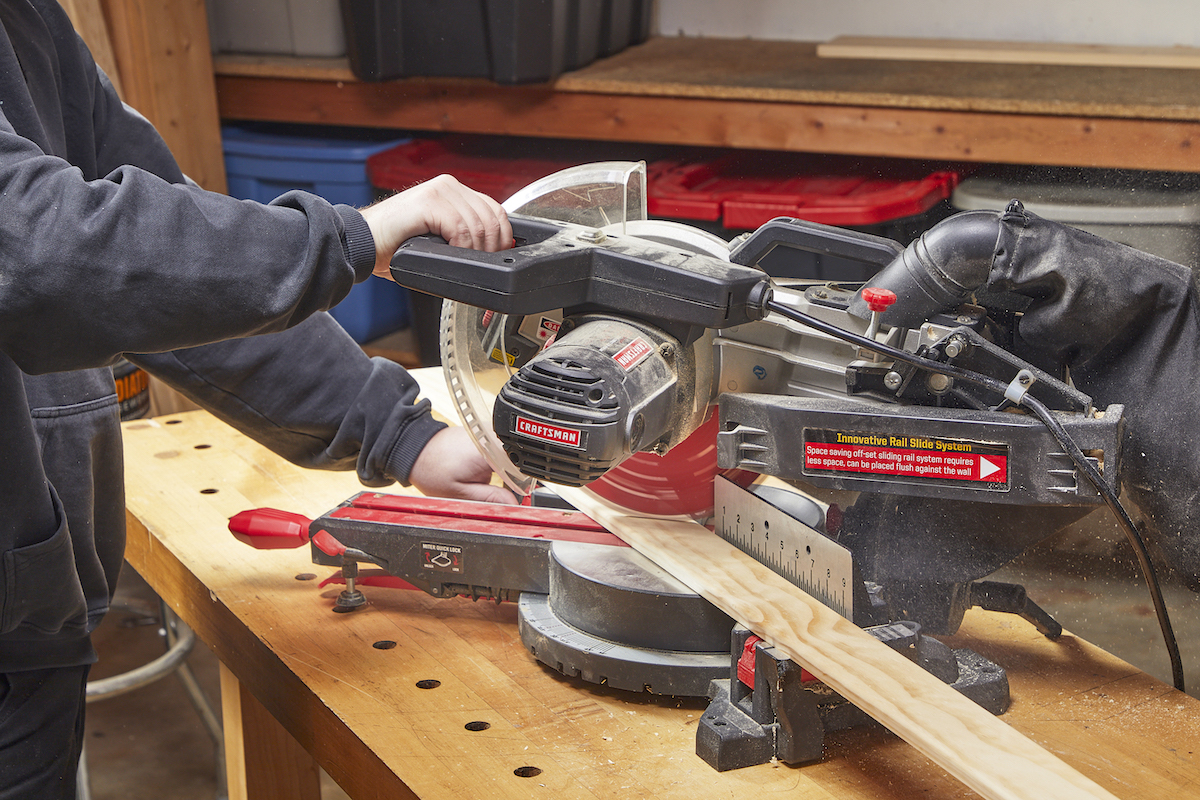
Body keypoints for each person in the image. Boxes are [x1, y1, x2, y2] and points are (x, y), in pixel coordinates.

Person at [0, 1, 515, 796]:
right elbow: (45, 254)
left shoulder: (28, 18)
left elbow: (164, 271)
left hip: (28, 624)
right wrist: (349, 237)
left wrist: (404, 435)